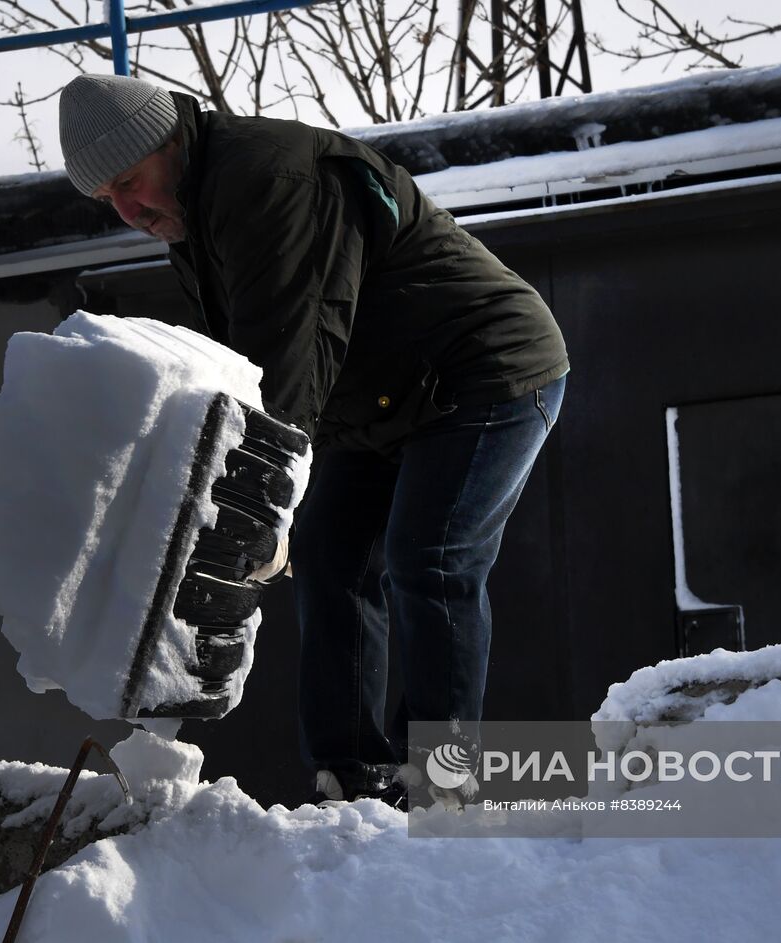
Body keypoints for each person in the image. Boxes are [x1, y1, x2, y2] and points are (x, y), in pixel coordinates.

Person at [59, 73, 568, 805]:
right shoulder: (195, 212)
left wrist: (264, 503)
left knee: (431, 557)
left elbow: (293, 352)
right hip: (386, 400)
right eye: (110, 199)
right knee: (330, 555)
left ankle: (442, 788)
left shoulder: (269, 179)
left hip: (485, 367)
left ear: (171, 141)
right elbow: (239, 372)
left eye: (131, 182)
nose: (129, 209)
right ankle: (350, 777)